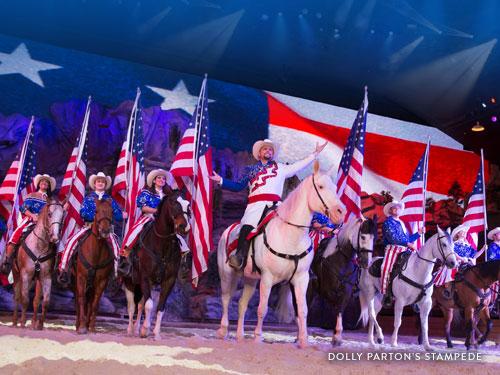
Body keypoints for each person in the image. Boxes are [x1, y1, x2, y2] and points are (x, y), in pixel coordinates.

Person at [209, 138, 328, 270]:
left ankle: (297, 262)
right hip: (256, 205)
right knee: (248, 225)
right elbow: (238, 186)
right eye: (265, 148)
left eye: (270, 149)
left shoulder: (281, 168)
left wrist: (314, 154)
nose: (268, 151)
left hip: (277, 206)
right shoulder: (251, 170)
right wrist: (221, 180)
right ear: (259, 153)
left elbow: (298, 166)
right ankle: (239, 256)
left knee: (293, 224)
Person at [117, 169, 189, 277]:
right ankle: (126, 256)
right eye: (159, 178)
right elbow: (143, 207)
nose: (161, 180)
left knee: (178, 236)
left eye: (163, 178)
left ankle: (182, 260)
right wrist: (156, 211)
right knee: (136, 231)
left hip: (165, 221)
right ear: (154, 180)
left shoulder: (168, 195)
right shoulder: (147, 192)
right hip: (149, 217)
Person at [57, 172, 125, 284]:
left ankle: (117, 273)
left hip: (106, 229)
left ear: (105, 184)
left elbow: (117, 215)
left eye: (103, 182)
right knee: (72, 241)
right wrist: (96, 217)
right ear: (94, 184)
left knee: (116, 246)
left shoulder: (110, 200)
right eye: (98, 181)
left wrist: (121, 215)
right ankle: (64, 267)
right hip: (89, 227)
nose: (100, 183)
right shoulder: (88, 199)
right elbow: (83, 213)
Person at [1, 174, 56, 275]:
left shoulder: (51, 200)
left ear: (48, 186)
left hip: (46, 224)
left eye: (46, 182)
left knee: (56, 239)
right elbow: (23, 208)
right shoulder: (32, 195)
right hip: (31, 220)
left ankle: (55, 266)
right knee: (16, 234)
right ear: (39, 184)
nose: (44, 183)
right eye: (42, 181)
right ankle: (7, 260)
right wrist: (33, 216)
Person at [380, 200, 424, 308]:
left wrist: (418, 234)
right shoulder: (388, 222)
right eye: (394, 208)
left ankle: (416, 294)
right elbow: (392, 238)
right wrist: (408, 243)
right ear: (390, 211)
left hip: (405, 249)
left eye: (398, 207)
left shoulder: (401, 223)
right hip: (393, 249)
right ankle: (386, 293)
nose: (396, 209)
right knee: (385, 268)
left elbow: (407, 238)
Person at [434, 224, 485, 290]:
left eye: (465, 232)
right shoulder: (454, 244)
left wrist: (483, 249)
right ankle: (448, 283)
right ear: (458, 234)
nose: (464, 233)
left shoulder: (468, 246)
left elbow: (474, 256)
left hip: (466, 263)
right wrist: (461, 259)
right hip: (456, 262)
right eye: (462, 232)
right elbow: (453, 254)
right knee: (452, 267)